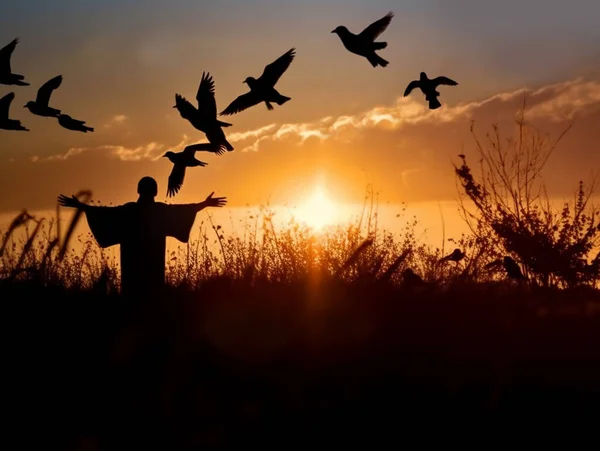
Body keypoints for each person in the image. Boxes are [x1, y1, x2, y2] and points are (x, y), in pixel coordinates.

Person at [57, 176, 227, 298]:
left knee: (133, 295)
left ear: (138, 190)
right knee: (153, 296)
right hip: (153, 262)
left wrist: (80, 205)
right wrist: (204, 204)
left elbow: (103, 213)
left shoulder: (128, 211)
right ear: (156, 191)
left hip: (132, 262)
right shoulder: (160, 211)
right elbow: (185, 210)